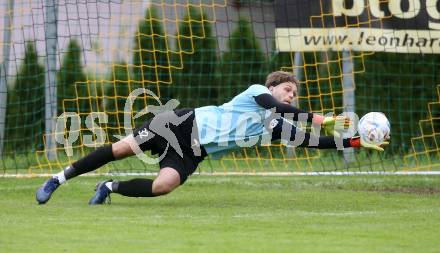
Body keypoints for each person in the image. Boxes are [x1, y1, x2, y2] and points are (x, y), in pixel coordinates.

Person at [35, 71, 387, 205]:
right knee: (122, 147)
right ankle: (57, 179)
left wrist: (354, 142)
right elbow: (284, 110)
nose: (290, 95)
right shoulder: (256, 94)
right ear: (272, 87)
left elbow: (311, 141)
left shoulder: (273, 126)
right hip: (181, 123)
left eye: (294, 92)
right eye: (287, 89)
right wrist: (324, 118)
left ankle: (109, 188)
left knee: (164, 186)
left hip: (194, 149)